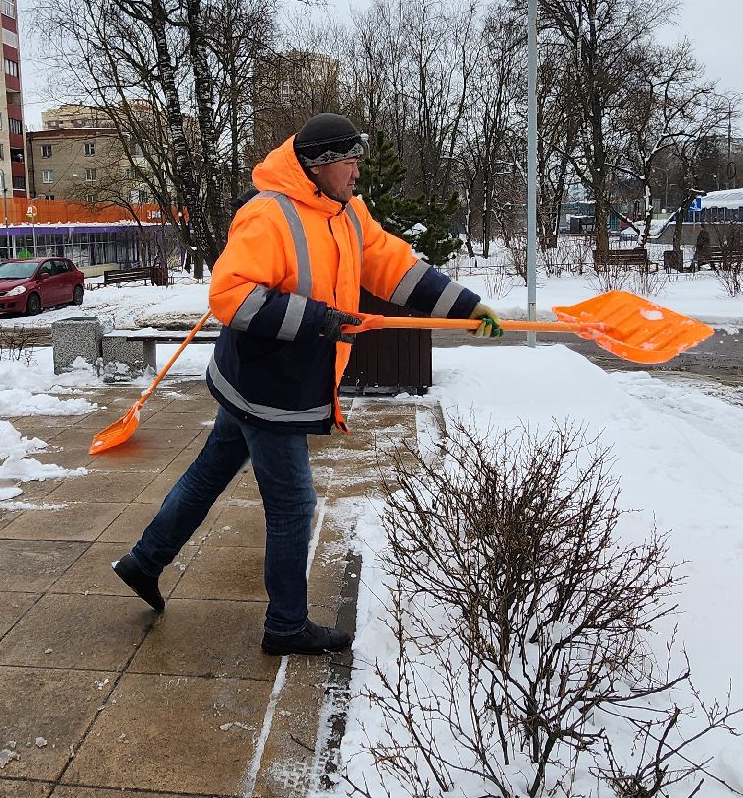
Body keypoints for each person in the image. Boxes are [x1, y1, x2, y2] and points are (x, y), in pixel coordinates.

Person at [112, 113, 502, 655]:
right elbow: (231, 298)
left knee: (208, 473)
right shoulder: (267, 216)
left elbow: (392, 267)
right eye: (349, 161)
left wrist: (466, 306)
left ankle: (143, 561)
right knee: (295, 506)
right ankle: (286, 625)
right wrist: (319, 319)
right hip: (269, 385)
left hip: (266, 381)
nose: (357, 170)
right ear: (319, 166)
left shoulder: (345, 213)